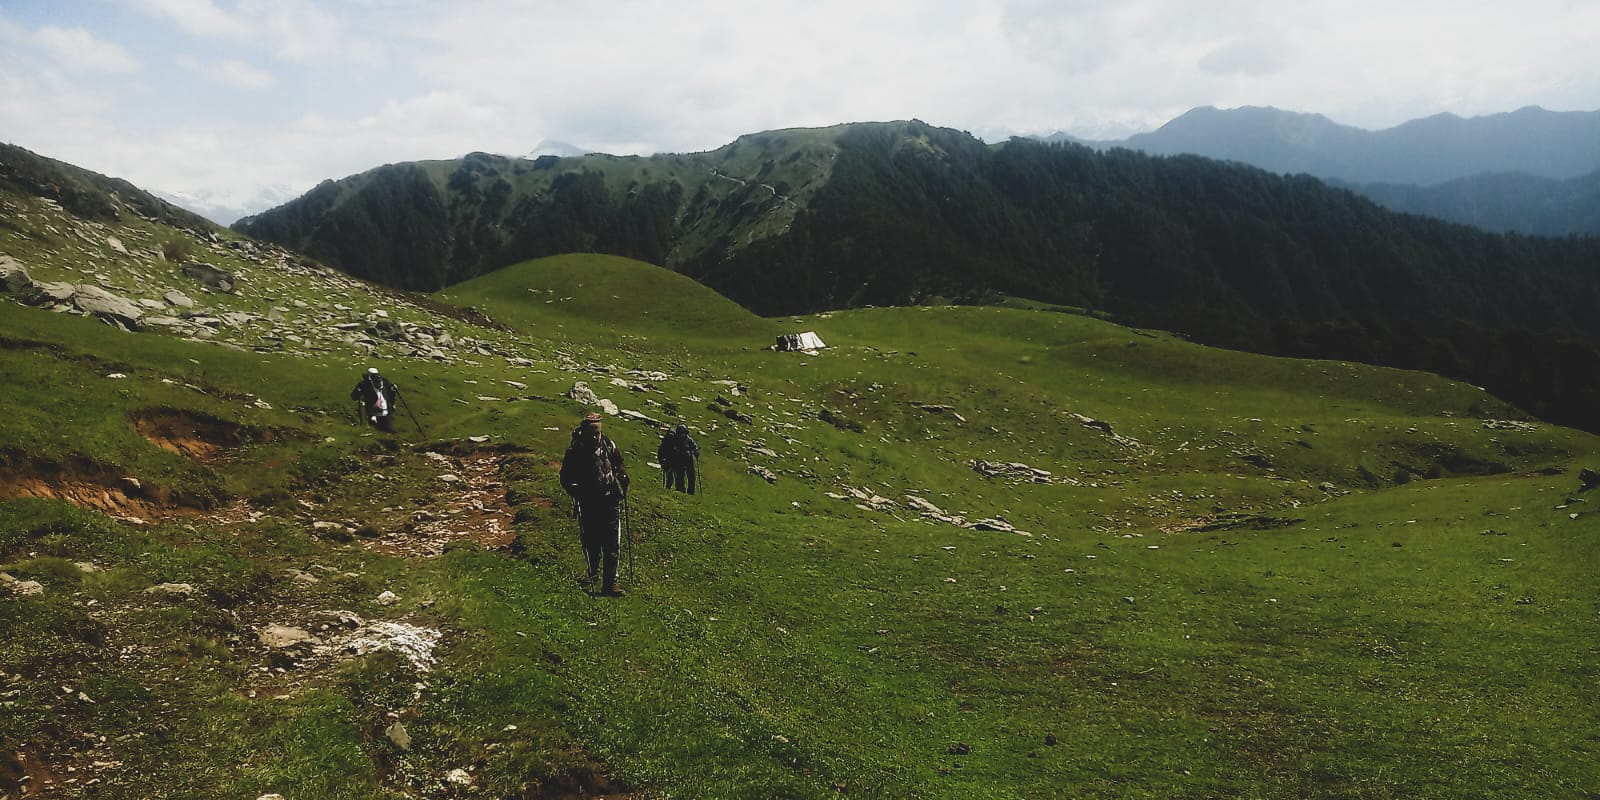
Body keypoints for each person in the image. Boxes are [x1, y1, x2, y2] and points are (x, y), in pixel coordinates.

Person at [560, 413, 630, 596]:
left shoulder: (608, 445)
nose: (595, 437)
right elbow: (565, 476)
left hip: (610, 499)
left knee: (612, 543)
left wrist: (622, 475)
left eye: (597, 433)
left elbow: (619, 462)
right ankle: (593, 575)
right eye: (592, 433)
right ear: (584, 431)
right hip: (589, 501)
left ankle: (611, 583)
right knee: (592, 541)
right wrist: (573, 488)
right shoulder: (576, 451)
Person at [350, 367, 399, 432]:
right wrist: (358, 391)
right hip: (373, 413)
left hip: (386, 411)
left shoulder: (384, 381)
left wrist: (393, 390)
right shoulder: (364, 384)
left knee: (388, 430)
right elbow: (354, 396)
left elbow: (391, 393)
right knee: (376, 429)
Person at [657, 424, 699, 494]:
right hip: (679, 460)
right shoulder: (675, 440)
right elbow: (669, 451)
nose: (682, 435)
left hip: (689, 459)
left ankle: (691, 492)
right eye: (680, 433)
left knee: (691, 476)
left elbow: (695, 447)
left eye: (683, 433)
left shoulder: (688, 439)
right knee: (680, 476)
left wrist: (696, 452)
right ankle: (680, 490)